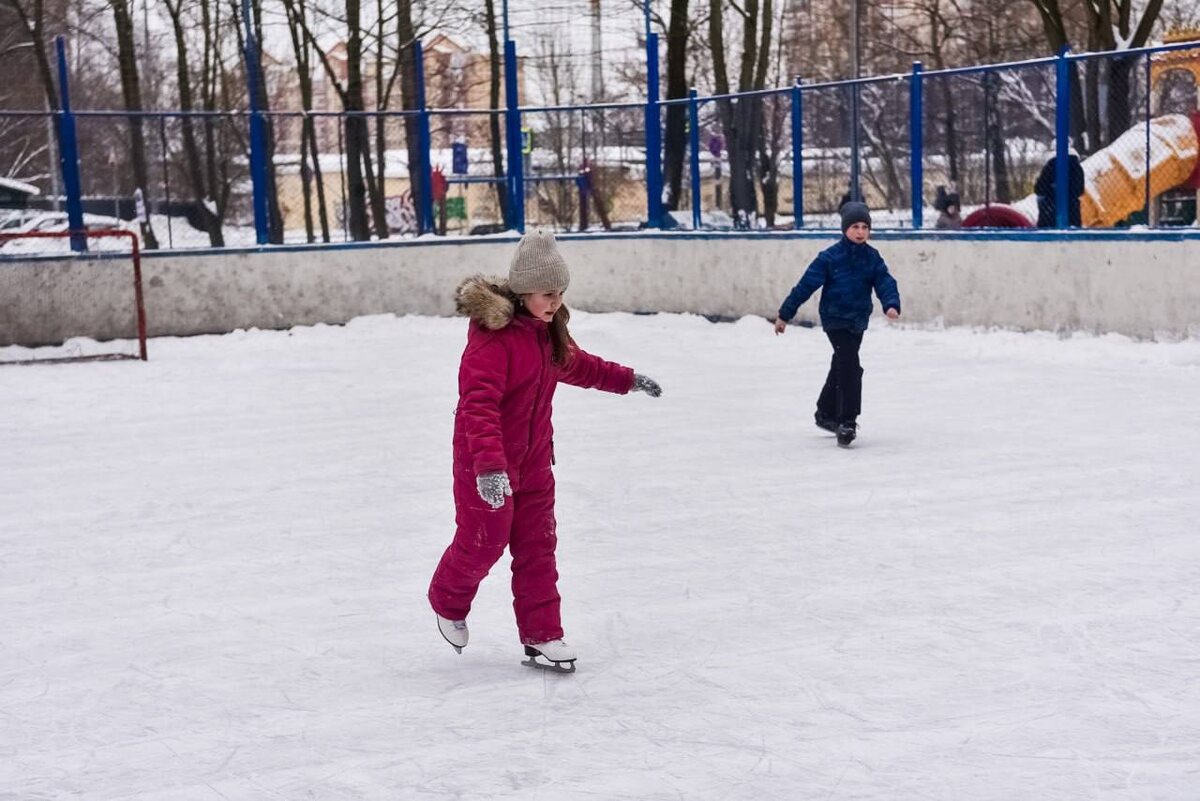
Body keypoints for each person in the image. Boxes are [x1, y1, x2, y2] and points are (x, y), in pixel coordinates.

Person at [428, 230, 663, 671]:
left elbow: (583, 366)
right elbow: (478, 407)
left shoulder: (547, 334)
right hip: (486, 463)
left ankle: (543, 635)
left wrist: (628, 379)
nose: (555, 302)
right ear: (523, 292)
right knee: (484, 541)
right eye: (547, 294)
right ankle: (447, 600)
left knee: (538, 547)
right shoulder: (493, 340)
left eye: (560, 293)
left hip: (535, 462)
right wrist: (489, 468)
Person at [773, 201, 901, 448]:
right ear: (845, 229)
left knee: (841, 364)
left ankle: (825, 412)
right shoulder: (830, 257)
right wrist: (784, 314)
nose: (860, 232)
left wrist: (891, 304)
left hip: (858, 320)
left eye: (865, 227)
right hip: (835, 319)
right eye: (855, 227)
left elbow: (885, 282)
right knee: (850, 366)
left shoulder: (872, 257)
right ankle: (847, 421)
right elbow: (805, 286)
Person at [1034, 152, 1085, 228]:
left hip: (1050, 208)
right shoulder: (1078, 168)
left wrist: (1051, 191)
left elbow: (1039, 189)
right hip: (1072, 209)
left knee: (1041, 200)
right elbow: (1080, 190)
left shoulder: (1050, 166)